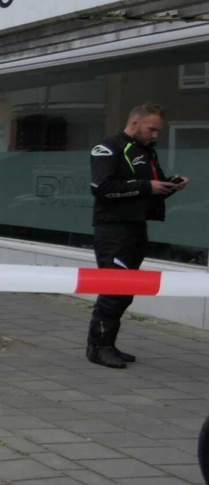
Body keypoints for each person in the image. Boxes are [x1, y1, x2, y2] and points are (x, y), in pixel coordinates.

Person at [86, 103, 188, 368]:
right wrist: (146, 186)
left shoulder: (147, 151)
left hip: (136, 228)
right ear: (134, 123)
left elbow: (151, 190)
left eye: (158, 131)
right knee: (113, 290)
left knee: (126, 291)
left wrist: (171, 185)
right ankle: (97, 348)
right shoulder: (108, 148)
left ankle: (108, 344)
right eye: (151, 129)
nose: (155, 135)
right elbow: (101, 187)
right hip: (112, 229)